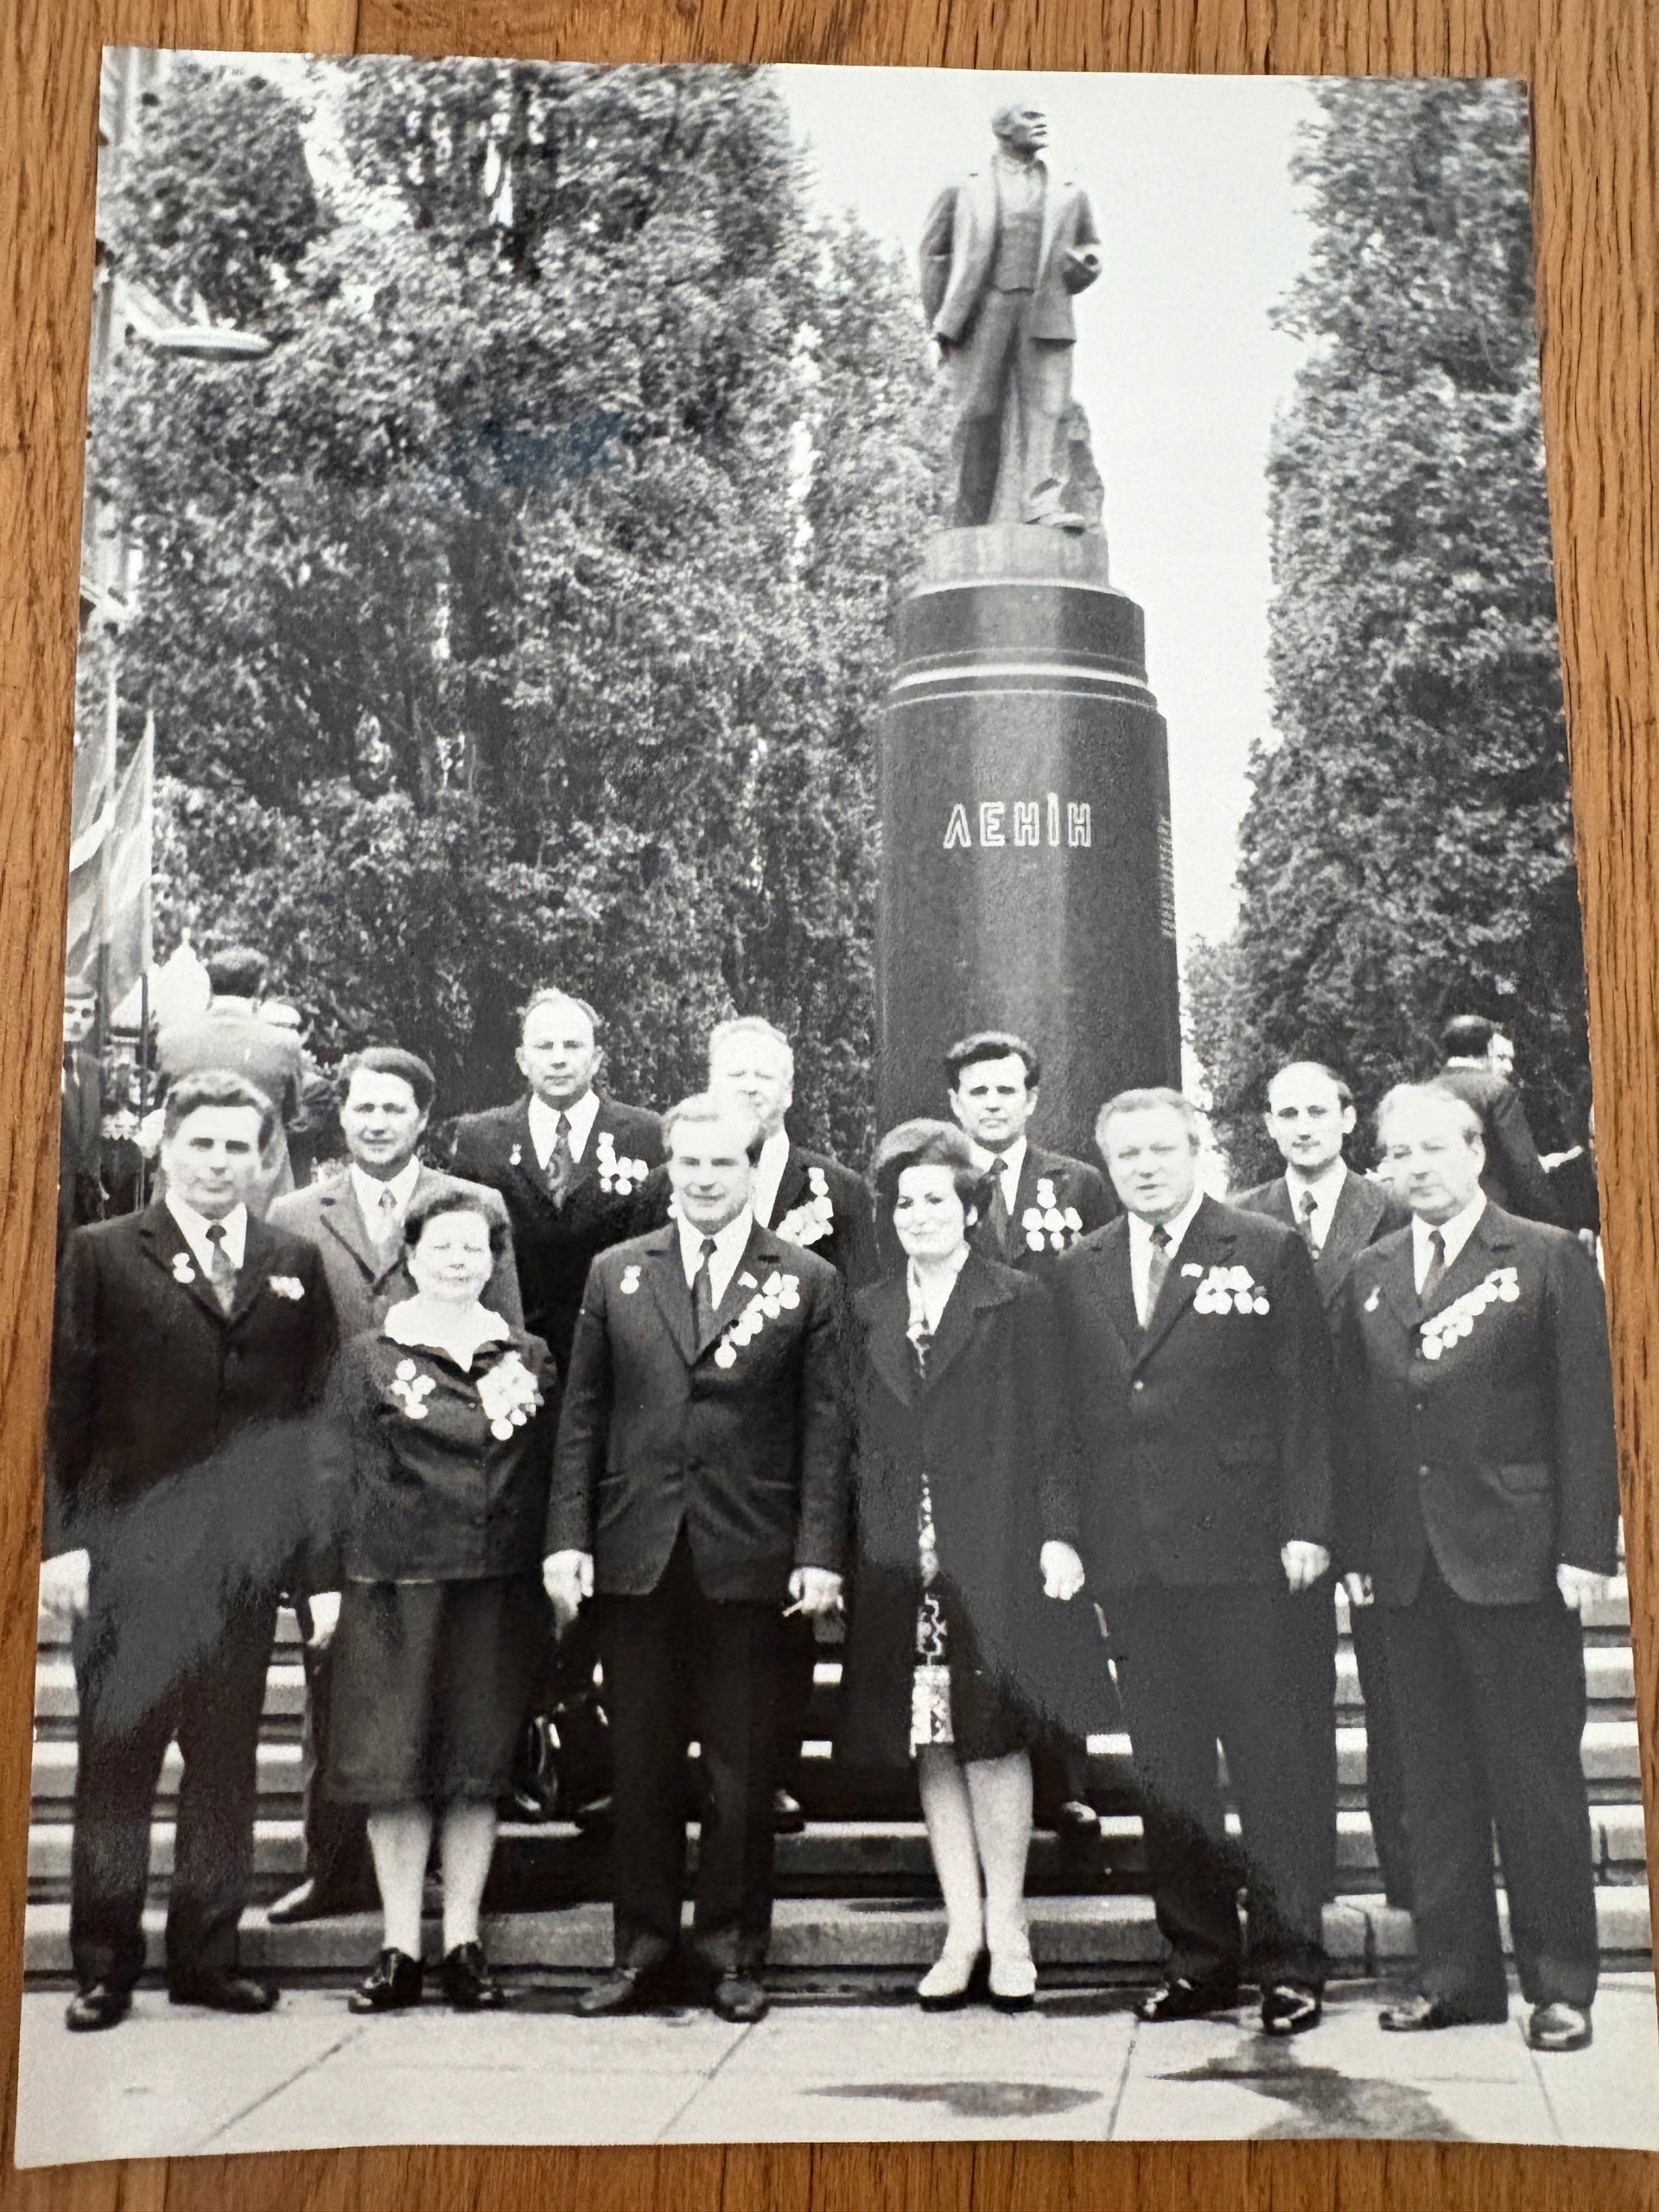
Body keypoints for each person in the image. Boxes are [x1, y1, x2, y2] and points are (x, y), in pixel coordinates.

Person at [41, 1072, 338, 2032]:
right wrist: (60, 1546)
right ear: (166, 1149)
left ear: (263, 1159)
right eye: (201, 1144)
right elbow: (64, 1409)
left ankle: (208, 1955)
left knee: (224, 1766)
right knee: (117, 1764)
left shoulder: (293, 1261)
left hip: (240, 1569)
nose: (219, 1164)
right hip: (128, 1561)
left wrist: (317, 1572)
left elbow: (315, 1427)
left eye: (237, 1147)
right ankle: (104, 1965)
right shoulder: (101, 1253)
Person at [543, 1094, 849, 2024]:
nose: (706, 1179)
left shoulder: (805, 1279)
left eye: (724, 1163)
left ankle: (731, 1956)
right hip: (637, 1554)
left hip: (753, 1557)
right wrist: (566, 1538)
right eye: (690, 1163)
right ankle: (639, 1953)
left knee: (740, 1770)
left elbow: (826, 1428)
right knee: (639, 1767)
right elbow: (582, 1416)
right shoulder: (616, 1273)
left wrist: (820, 1551)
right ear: (669, 1170)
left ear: (754, 1169)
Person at [1335, 1084, 1619, 2053]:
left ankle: (1561, 1985)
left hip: (1517, 1561)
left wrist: (1585, 1548)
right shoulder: (1371, 1272)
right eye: (1397, 1154)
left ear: (1475, 1151)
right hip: (1408, 1571)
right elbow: (1359, 1426)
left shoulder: (1544, 1256)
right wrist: (1359, 1549)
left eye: (1433, 1148)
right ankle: (1455, 1979)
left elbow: (1586, 1410)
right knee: (1432, 1784)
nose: (1415, 1167)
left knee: (1535, 1782)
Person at [1050, 1088, 1332, 2037]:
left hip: (1244, 1553)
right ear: (1107, 1163)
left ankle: (1290, 1962)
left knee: (1269, 1763)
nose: (1144, 1167)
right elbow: (1066, 1420)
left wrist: (1308, 1525)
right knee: (1169, 1770)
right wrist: (1066, 1532)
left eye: (1160, 1150)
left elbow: (1305, 1399)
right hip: (1132, 1559)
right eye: (1126, 1154)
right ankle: (1200, 1959)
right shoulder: (1080, 1267)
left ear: (1196, 1149)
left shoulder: (1265, 1248)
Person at [264, 1047, 524, 1926]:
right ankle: (331, 1864)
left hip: (451, 1494)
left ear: (423, 1117)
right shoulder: (296, 1213)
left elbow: (508, 1340)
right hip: (343, 1475)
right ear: (342, 1117)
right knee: (335, 1680)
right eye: (362, 1108)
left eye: (393, 1108)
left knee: (449, 1692)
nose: (376, 1122)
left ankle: (447, 1879)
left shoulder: (473, 1207)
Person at [836, 1121, 1084, 2010]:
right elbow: (848, 1438)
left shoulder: (1018, 1299)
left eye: (936, 1200)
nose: (919, 1215)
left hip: (996, 1551)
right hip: (901, 1561)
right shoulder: (866, 1307)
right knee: (932, 1736)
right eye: (905, 1202)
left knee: (994, 1734)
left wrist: (1060, 1534)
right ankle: (962, 1927)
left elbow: (1056, 1429)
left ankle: (1010, 1927)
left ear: (971, 1210)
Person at [306, 1187, 560, 2013]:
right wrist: (322, 1587)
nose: (457, 1259)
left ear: (493, 1263)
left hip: (495, 1592)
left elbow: (553, 1474)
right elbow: (329, 1478)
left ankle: (463, 1944)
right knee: (397, 1772)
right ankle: (397, 1949)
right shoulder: (367, 1359)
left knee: (476, 1771)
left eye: (473, 1247)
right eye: (441, 1245)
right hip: (391, 1591)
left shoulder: (527, 1357)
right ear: (410, 1257)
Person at [1235, 1060, 1413, 1910]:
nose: (1303, 1126)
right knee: (1292, 1690)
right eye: (1287, 1113)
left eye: (1318, 1111)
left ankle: (1409, 1870)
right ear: (1269, 1125)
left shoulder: (1396, 1211)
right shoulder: (1241, 1219)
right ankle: (1303, 1872)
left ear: (1348, 1120)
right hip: (1284, 1491)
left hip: (1381, 1479)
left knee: (1398, 1687)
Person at [705, 1013, 877, 1834]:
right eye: (733, 1072)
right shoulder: (680, 1177)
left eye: (764, 1073)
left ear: (790, 1087)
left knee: (781, 1618)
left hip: (794, 1432)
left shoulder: (838, 1191)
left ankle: (768, 1771)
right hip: (701, 1434)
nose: (749, 1086)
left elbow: (863, 1312)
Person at [946, 1030, 1113, 1840]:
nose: (992, 1103)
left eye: (1006, 1089)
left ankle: (1065, 1781)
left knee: (1056, 1605)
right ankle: (974, 1772)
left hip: (1058, 1416)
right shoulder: (933, 1184)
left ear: (1032, 1098)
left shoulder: (1079, 1186)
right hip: (968, 1426)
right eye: (977, 1091)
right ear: (955, 1103)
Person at [448, 988, 664, 1374]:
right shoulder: (480, 1139)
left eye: (573, 1045)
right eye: (545, 1046)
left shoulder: (647, 1136)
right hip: (508, 1358)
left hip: (618, 1356)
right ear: (522, 1060)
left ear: (596, 1058)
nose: (559, 1058)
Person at [920, 99, 1103, 527]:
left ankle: (1043, 505)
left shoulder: (1070, 192)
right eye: (1030, 117)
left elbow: (1091, 245)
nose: (1042, 123)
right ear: (1002, 128)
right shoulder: (963, 186)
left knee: (1049, 411)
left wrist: (1086, 264)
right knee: (977, 414)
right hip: (985, 312)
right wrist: (941, 323)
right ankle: (966, 514)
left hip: (1046, 313)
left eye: (1043, 116)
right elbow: (933, 253)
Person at [154, 947, 304, 1209]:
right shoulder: (283, 1043)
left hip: (189, 1182)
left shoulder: (172, 1040)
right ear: (260, 987)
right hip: (260, 1189)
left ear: (211, 985)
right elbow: (292, 1113)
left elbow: (162, 1108)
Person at [1436, 1014, 1560, 1225]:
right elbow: (1522, 1164)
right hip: (1493, 1215)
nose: (1509, 1068)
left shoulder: (1427, 1092)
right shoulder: (1496, 1091)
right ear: (1487, 1047)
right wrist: (1553, 1220)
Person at [59, 976, 104, 1255]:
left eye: (86, 1013)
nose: (77, 1020)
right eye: (69, 1010)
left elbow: (91, 1138)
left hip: (82, 1210)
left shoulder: (92, 1069)